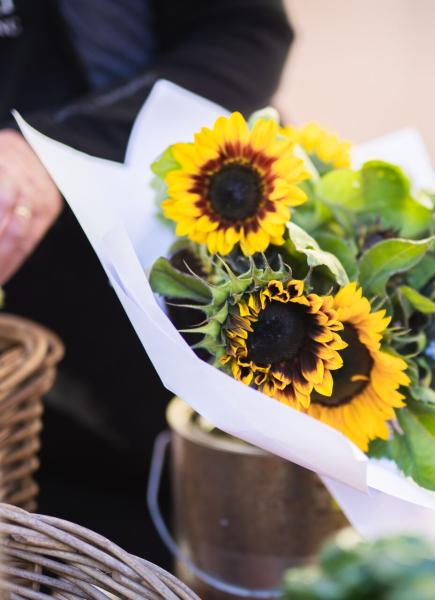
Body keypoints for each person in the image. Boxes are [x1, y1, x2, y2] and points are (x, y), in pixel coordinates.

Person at [0, 0, 293, 566]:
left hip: (165, 300)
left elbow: (247, 33)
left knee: (192, 545)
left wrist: (48, 150)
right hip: (24, 394)